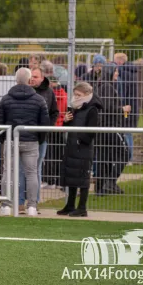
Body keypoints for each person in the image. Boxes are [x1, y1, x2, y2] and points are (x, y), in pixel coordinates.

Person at [0, 68, 50, 217]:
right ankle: (32, 206)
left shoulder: (6, 98)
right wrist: (39, 139)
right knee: (32, 173)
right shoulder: (39, 99)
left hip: (11, 140)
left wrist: (4, 140)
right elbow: (44, 124)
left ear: (15, 79)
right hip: (31, 141)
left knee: (8, 172)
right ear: (29, 80)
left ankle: (6, 206)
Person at [15, 66, 58, 212]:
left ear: (42, 78)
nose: (32, 79)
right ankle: (20, 202)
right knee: (21, 170)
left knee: (35, 170)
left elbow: (54, 112)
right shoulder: (20, 92)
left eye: (36, 76)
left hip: (40, 138)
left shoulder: (48, 93)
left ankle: (34, 202)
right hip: (22, 136)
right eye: (31, 76)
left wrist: (46, 129)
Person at [57, 82, 102, 217]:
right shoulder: (74, 107)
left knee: (83, 178)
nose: (76, 97)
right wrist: (66, 120)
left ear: (87, 95)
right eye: (75, 95)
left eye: (79, 95)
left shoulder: (92, 109)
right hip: (72, 146)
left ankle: (82, 207)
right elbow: (67, 127)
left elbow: (91, 132)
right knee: (71, 176)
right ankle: (70, 205)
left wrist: (79, 138)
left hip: (83, 148)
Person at [94, 64, 129, 195]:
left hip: (102, 128)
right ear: (109, 72)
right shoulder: (107, 87)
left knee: (105, 158)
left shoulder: (101, 85)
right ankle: (110, 182)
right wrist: (122, 109)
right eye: (115, 71)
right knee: (125, 154)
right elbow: (107, 107)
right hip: (110, 127)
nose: (117, 74)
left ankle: (100, 189)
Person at [114, 53, 138, 163]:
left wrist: (120, 107)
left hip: (126, 108)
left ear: (119, 61)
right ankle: (129, 157)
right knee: (127, 132)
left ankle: (128, 158)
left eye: (115, 62)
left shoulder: (123, 73)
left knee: (125, 132)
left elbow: (122, 93)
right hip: (132, 107)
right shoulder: (132, 72)